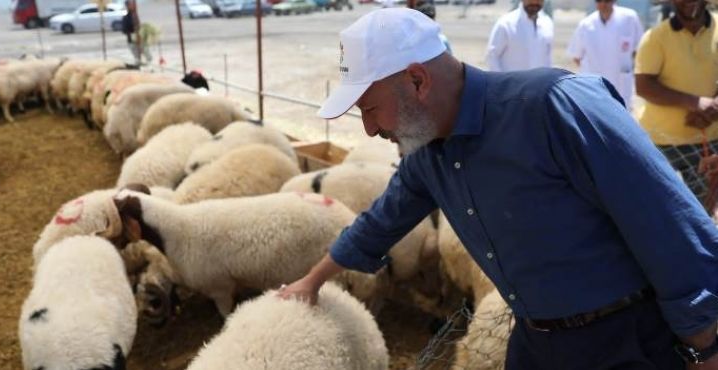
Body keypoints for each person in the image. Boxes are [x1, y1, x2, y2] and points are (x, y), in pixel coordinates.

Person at [279, 8, 718, 369]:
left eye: (371, 109)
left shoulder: (555, 106)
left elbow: (669, 225)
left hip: (626, 343)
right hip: (535, 342)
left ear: (417, 80)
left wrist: (705, 348)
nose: (371, 130)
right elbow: (381, 222)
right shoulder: (429, 153)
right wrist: (312, 281)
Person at [635, 0, 718, 204]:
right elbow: (644, 86)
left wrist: (713, 108)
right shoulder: (655, 37)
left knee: (703, 211)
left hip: (707, 139)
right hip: (661, 141)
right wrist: (695, 103)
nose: (689, 2)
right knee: (657, 208)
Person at [567, 0, 642, 109]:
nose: (603, 4)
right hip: (594, 88)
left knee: (621, 119)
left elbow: (639, 49)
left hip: (621, 85)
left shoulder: (629, 18)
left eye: (607, 0)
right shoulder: (586, 24)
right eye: (599, 1)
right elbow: (576, 56)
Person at [485, 0, 553, 72]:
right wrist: (501, 81)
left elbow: (547, 57)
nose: (534, 2)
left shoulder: (547, 22)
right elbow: (492, 56)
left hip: (540, 82)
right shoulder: (506, 23)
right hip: (512, 82)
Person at [122, 0, 142, 65]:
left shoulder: (136, 15)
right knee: (137, 57)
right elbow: (124, 30)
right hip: (131, 40)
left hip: (140, 39)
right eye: (130, 5)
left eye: (132, 4)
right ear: (127, 6)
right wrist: (132, 32)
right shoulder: (126, 18)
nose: (132, 6)